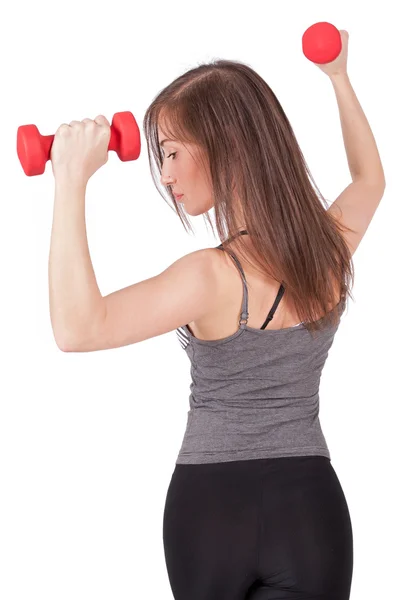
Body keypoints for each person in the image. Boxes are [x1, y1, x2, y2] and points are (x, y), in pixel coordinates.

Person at [49, 30, 385, 600]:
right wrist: (338, 77)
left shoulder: (208, 276)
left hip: (211, 510)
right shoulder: (326, 254)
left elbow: (79, 329)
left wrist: (70, 182)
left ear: (225, 147)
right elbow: (370, 180)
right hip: (311, 510)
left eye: (172, 152)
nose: (167, 175)